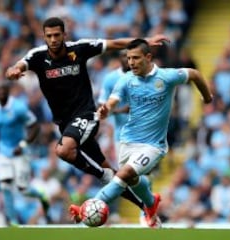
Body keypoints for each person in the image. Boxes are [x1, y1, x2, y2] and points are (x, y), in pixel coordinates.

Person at [5, 17, 169, 223]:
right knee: (112, 174)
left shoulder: (80, 49)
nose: (54, 39)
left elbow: (114, 44)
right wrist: (14, 70)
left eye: (57, 35)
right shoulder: (38, 56)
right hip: (66, 124)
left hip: (85, 115)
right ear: (44, 37)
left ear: (64, 35)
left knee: (64, 150)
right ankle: (147, 206)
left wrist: (145, 40)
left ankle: (102, 177)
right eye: (49, 36)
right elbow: (21, 64)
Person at [69, 39, 213, 228]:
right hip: (127, 142)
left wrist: (207, 96)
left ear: (148, 57)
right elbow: (112, 101)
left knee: (125, 173)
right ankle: (151, 203)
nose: (131, 62)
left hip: (154, 145)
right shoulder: (126, 80)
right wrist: (107, 110)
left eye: (136, 58)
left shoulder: (166, 77)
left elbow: (194, 74)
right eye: (129, 58)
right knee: (134, 180)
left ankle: (91, 206)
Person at [0, 80, 49, 226]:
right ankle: (13, 221)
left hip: (19, 152)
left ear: (8, 92)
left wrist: (23, 144)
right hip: (3, 152)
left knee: (23, 189)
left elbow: (35, 126)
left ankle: (41, 195)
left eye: (4, 90)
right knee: (4, 186)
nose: (1, 93)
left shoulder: (19, 107)